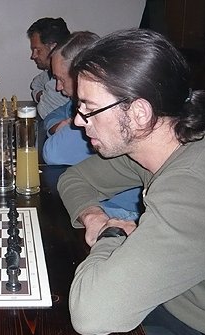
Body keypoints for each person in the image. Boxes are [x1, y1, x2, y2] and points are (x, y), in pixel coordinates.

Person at [58, 28, 205, 335]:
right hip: (183, 304)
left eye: (89, 108)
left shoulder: (193, 187)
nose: (79, 121)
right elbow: (75, 179)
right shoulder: (168, 141)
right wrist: (94, 216)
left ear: (139, 112)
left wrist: (111, 234)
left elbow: (92, 313)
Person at [42, 31, 140, 220]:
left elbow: (53, 152)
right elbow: (52, 116)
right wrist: (60, 124)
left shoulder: (109, 114)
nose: (58, 87)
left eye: (61, 79)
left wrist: (69, 124)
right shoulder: (81, 104)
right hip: (102, 199)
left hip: (125, 210)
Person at [27, 17, 71, 120]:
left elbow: (45, 111)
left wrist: (43, 96)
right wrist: (42, 95)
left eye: (38, 50)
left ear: (54, 48)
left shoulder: (67, 77)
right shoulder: (50, 73)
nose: (33, 56)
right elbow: (36, 83)